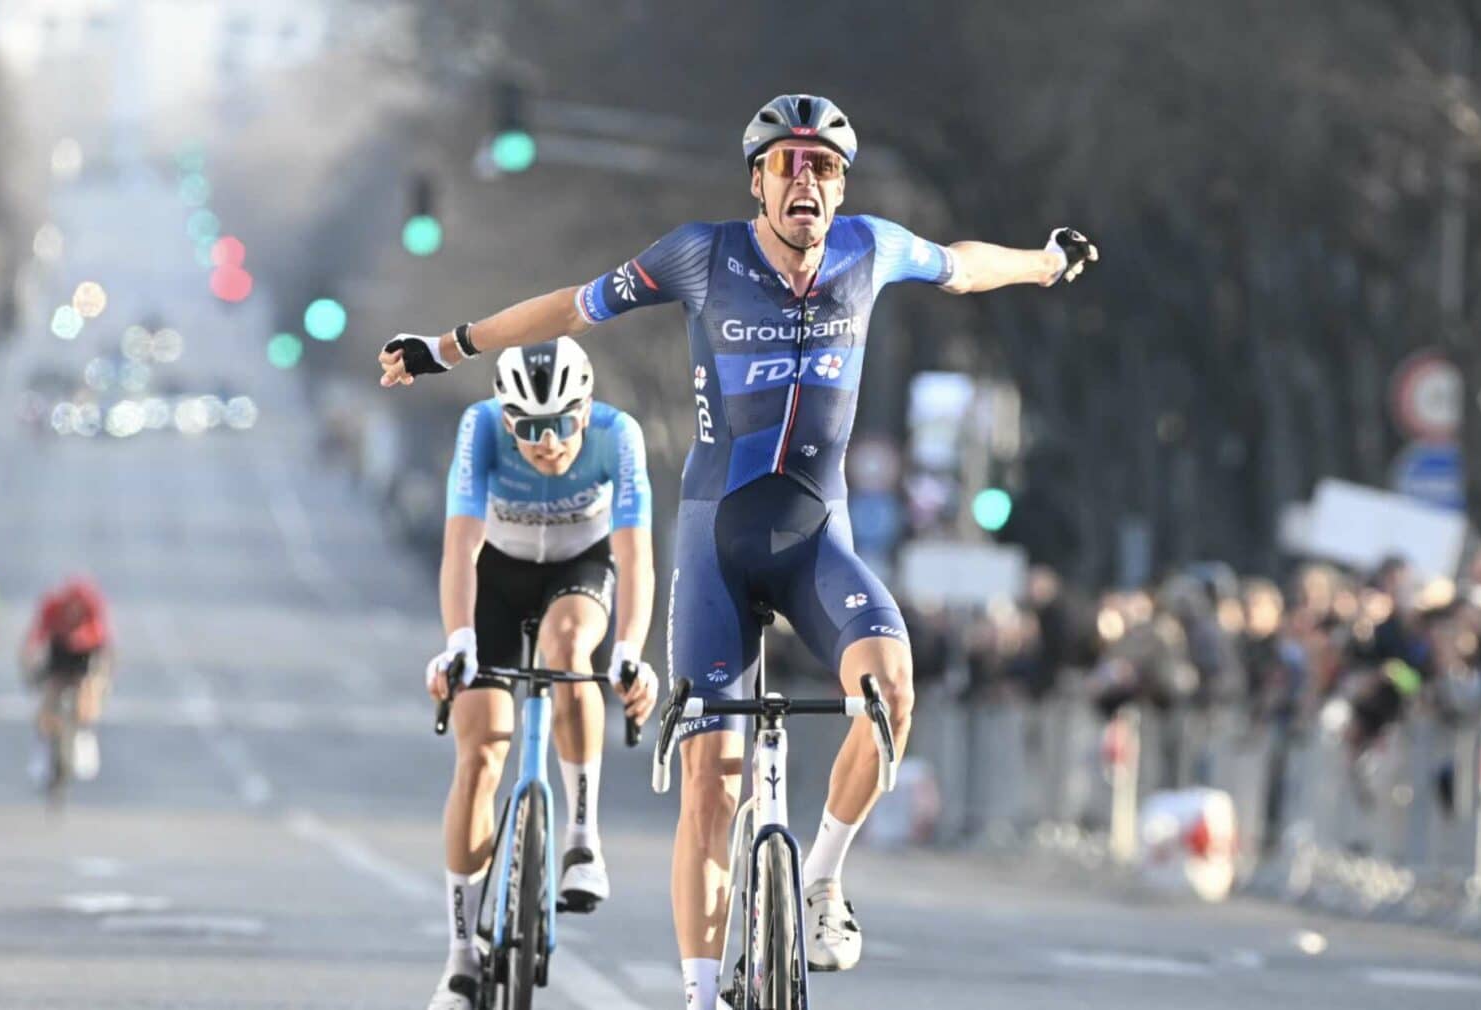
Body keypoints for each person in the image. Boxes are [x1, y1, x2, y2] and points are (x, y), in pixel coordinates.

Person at [380, 93, 1098, 1008]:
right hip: (717, 542)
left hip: (816, 537)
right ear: (756, 179)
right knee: (710, 787)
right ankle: (701, 992)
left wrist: (1044, 263)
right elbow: (573, 308)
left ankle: (826, 879)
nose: (808, 180)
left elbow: (959, 269)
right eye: (788, 165)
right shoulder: (700, 256)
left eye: (825, 166)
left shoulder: (869, 249)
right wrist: (449, 347)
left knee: (890, 691)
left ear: (841, 187)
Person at [421, 336, 660, 1010]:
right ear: (506, 416)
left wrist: (631, 649)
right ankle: (462, 955)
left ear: (584, 412)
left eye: (558, 424)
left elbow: (636, 556)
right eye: (526, 426)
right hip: (494, 578)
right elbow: (460, 549)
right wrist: (459, 640)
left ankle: (582, 838)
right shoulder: (481, 429)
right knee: (480, 753)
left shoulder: (620, 435)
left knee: (568, 647)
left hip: (577, 570)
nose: (544, 442)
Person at [22, 575, 113, 782]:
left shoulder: (93, 609)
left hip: (85, 651)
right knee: (50, 693)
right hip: (59, 649)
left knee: (88, 688)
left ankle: (85, 734)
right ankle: (43, 747)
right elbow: (35, 638)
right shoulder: (51, 607)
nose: (73, 612)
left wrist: (101, 678)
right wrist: (30, 666)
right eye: (69, 607)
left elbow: (103, 645)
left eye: (77, 608)